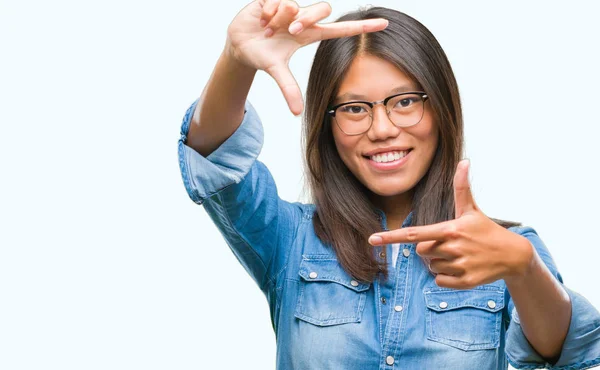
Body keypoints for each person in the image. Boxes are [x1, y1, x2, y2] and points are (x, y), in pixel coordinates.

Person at [177, 0, 600, 368]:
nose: (382, 129)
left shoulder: (505, 246)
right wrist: (236, 59)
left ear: (441, 108)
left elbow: (566, 352)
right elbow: (217, 163)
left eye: (404, 102)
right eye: (355, 108)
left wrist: (522, 266)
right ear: (327, 125)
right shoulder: (289, 239)